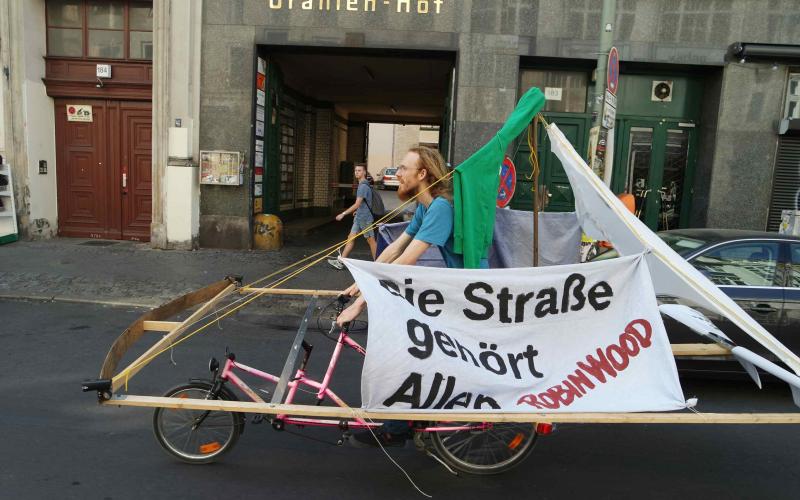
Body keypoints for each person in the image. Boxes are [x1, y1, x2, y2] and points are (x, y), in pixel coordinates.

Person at [335, 146, 472, 447]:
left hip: (463, 299)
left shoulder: (440, 208)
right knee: (416, 353)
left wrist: (361, 302)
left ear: (422, 174)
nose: (396, 173)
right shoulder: (425, 207)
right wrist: (363, 279)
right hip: (451, 292)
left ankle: (399, 428)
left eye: (402, 168)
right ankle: (409, 422)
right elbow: (395, 248)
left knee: (407, 350)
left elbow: (406, 262)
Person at [328, 164, 377, 269]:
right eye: (355, 171)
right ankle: (341, 262)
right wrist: (357, 211)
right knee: (350, 238)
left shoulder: (363, 186)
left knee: (371, 241)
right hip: (360, 216)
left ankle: (379, 264)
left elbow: (357, 204)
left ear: (364, 172)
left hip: (364, 218)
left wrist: (343, 213)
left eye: (359, 170)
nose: (357, 172)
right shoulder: (363, 185)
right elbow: (363, 203)